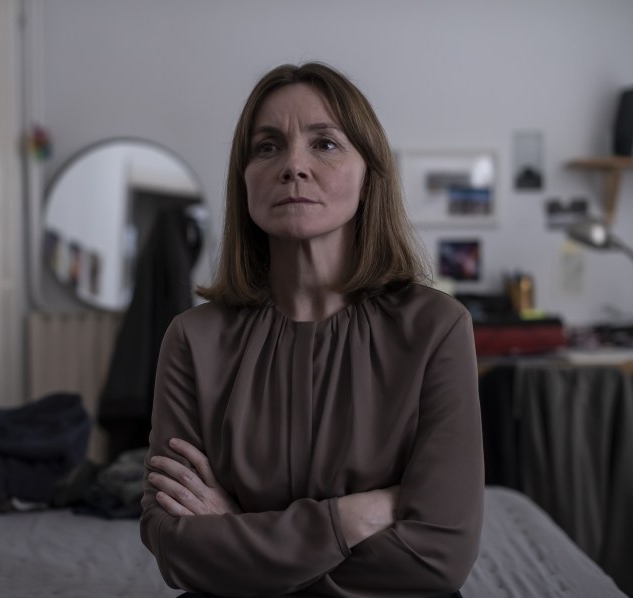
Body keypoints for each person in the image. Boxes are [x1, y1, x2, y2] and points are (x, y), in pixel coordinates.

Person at [140, 62, 483, 598]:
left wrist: (238, 535)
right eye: (268, 147)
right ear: (244, 180)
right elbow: (173, 545)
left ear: (369, 174)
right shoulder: (192, 339)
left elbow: (437, 559)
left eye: (324, 144)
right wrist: (348, 519)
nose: (293, 166)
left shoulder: (437, 328)